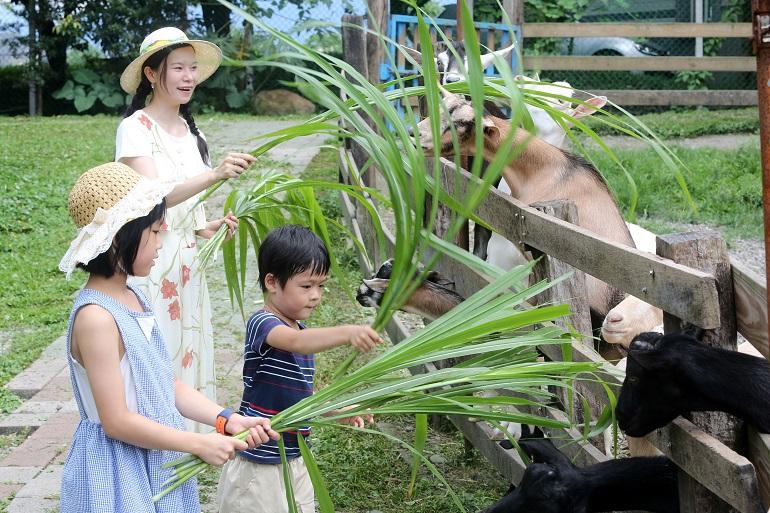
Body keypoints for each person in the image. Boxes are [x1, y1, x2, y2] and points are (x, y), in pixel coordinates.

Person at [58, 162, 278, 512]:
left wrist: (226, 419)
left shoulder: (135, 296)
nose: (163, 241)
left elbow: (166, 384)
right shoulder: (96, 318)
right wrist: (196, 443)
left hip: (156, 458)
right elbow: (116, 421)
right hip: (118, 470)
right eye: (157, 231)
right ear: (121, 236)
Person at [115, 26, 256, 430]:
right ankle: (148, 441)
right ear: (152, 74)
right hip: (149, 266)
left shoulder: (196, 135)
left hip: (187, 267)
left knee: (185, 352)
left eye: (192, 68)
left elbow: (185, 212)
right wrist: (215, 176)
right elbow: (152, 197)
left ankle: (182, 446)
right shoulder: (135, 129)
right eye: (177, 67)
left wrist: (206, 226)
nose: (188, 77)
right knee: (152, 356)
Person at [216, 224, 383, 513]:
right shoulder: (264, 324)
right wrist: (347, 332)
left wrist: (338, 410)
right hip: (260, 461)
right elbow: (297, 342)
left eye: (321, 285)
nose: (316, 295)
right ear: (272, 282)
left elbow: (302, 393)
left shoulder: (299, 329)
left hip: (294, 456)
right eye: (306, 286)